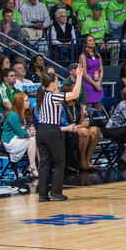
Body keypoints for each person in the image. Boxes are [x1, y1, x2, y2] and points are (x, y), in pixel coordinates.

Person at [35, 66, 84, 202]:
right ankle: (56, 192)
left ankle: (42, 194)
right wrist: (79, 77)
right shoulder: (52, 96)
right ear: (51, 83)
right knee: (59, 161)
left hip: (41, 131)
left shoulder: (42, 95)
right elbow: (74, 95)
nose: (59, 83)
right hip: (51, 131)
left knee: (44, 163)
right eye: (57, 81)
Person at [0, 92, 36, 178]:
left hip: (17, 138)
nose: (29, 103)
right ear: (20, 103)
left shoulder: (23, 114)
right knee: (32, 139)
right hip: (10, 141)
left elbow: (26, 128)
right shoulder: (13, 115)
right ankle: (32, 166)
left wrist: (31, 131)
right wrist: (29, 132)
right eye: (26, 101)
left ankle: (37, 166)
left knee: (36, 138)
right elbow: (20, 133)